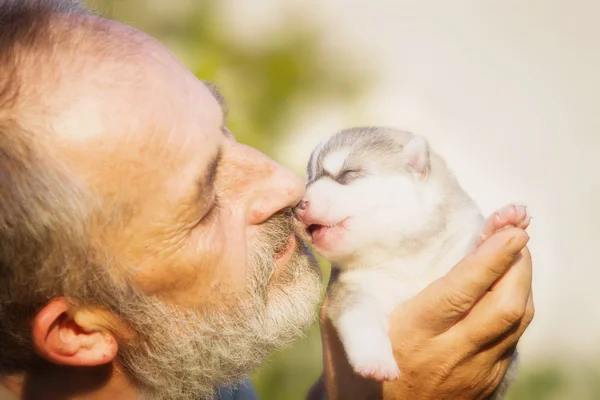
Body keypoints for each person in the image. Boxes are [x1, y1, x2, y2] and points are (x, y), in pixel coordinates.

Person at [0, 1, 534, 399]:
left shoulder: (197, 377)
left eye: (225, 132)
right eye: (205, 197)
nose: (287, 185)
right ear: (77, 331)